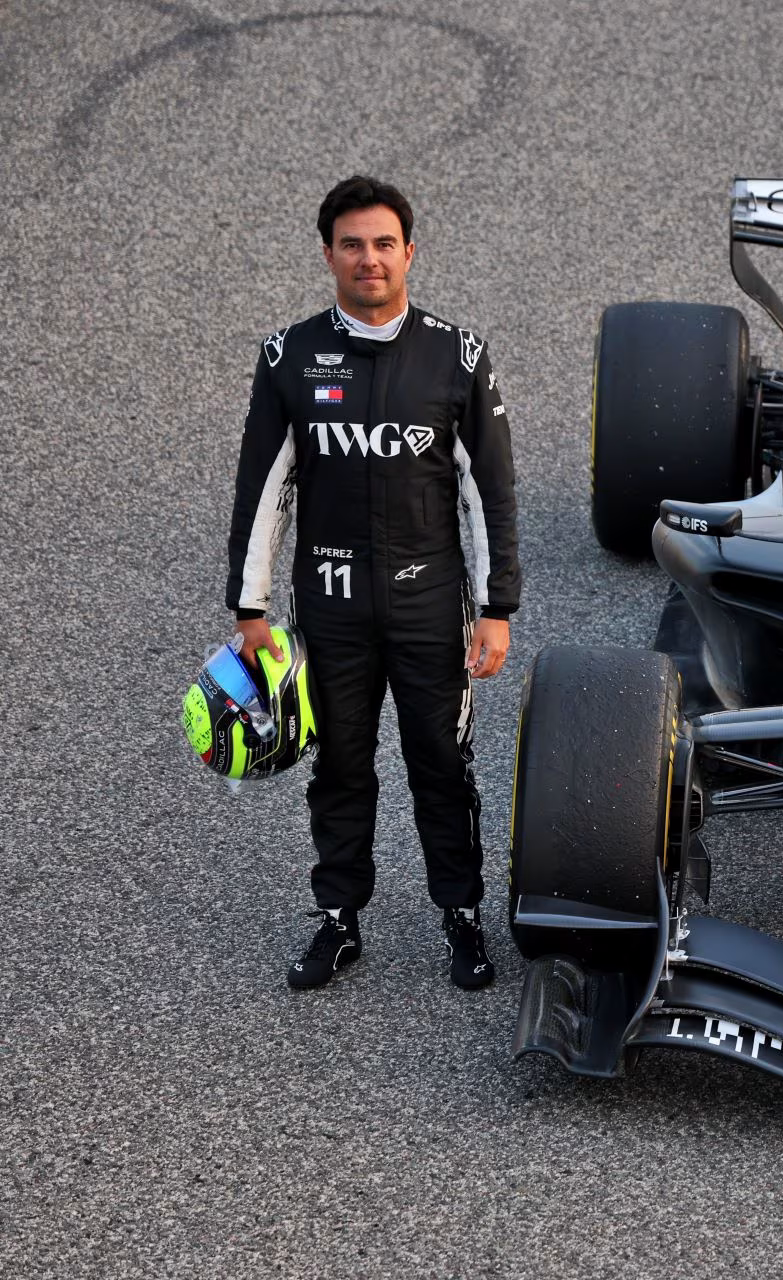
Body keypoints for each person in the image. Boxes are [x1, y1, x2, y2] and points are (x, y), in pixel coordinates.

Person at [225, 175, 520, 990]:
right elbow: (261, 490)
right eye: (352, 244)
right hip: (330, 608)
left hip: (431, 607)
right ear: (328, 255)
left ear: (410, 253)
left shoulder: (457, 357)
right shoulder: (288, 357)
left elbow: (489, 493)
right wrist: (250, 609)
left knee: (441, 764)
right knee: (340, 768)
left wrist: (497, 610)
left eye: (384, 243)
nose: (369, 259)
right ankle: (338, 921)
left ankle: (461, 920)